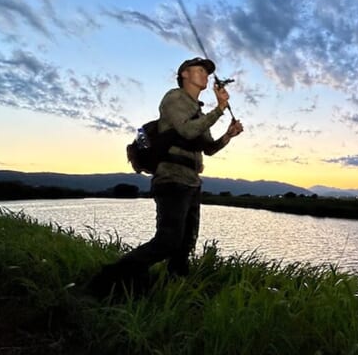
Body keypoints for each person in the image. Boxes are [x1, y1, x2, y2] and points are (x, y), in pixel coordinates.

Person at [89, 57, 243, 295]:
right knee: (167, 242)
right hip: (172, 180)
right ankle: (107, 279)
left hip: (192, 182)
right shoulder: (174, 98)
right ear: (184, 75)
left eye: (206, 71)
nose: (205, 75)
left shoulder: (197, 110)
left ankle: (173, 291)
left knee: (185, 244)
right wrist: (220, 109)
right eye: (200, 70)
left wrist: (228, 135)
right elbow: (187, 130)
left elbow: (208, 148)